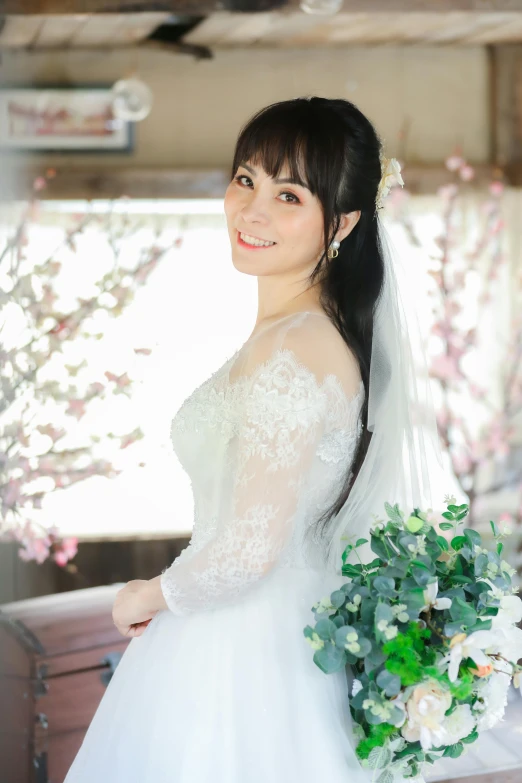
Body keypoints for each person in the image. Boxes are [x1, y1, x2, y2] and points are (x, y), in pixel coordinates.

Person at [64, 97, 442, 783]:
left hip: (240, 656)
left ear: (345, 222)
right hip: (248, 635)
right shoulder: (294, 335)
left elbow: (248, 549)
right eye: (246, 179)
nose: (253, 210)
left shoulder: (296, 347)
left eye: (289, 193)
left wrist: (145, 595)